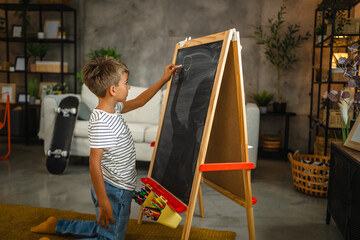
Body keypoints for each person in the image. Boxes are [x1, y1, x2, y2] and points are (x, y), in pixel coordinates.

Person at [30, 57, 180, 240]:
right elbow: (94, 163)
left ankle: (58, 225)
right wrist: (104, 202)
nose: (129, 87)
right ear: (113, 89)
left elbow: (140, 101)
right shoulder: (102, 122)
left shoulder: (114, 108)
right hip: (114, 190)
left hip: (117, 186)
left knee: (107, 228)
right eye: (126, 83)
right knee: (111, 238)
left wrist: (164, 79)